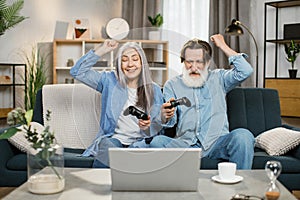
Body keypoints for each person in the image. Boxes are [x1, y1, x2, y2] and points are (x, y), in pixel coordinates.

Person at [149, 34, 255, 169]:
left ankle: (239, 189)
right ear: (183, 61)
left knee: (243, 136)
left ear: (208, 62)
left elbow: (245, 71)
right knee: (157, 142)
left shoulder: (220, 78)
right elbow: (171, 121)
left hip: (217, 143)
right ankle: (168, 187)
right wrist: (165, 116)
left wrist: (222, 45)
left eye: (199, 61)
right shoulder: (172, 85)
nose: (194, 67)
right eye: (189, 62)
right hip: (185, 144)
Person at [70, 40, 163, 168]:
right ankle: (99, 185)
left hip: (141, 144)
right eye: (124, 60)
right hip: (115, 140)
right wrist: (102, 50)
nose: (130, 64)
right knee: (108, 145)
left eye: (135, 59)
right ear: (119, 64)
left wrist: (149, 125)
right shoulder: (109, 81)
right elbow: (77, 72)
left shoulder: (154, 89)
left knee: (138, 156)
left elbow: (160, 125)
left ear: (142, 63)